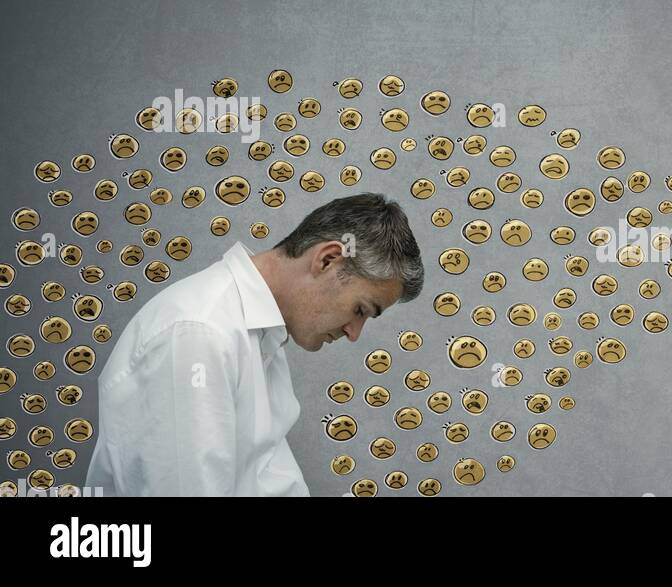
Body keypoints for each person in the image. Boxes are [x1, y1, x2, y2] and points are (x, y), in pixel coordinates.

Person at [86, 193, 424, 496]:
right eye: (361, 310)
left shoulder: (259, 335)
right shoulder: (199, 335)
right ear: (327, 260)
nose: (354, 333)